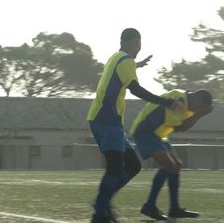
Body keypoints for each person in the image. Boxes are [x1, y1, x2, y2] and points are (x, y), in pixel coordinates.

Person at [87, 28, 185, 223]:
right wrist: (167, 102)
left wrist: (137, 65)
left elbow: (121, 74)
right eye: (137, 43)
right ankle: (100, 212)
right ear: (127, 42)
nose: (139, 48)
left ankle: (102, 203)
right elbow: (136, 90)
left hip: (105, 119)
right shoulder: (125, 61)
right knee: (115, 168)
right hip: (107, 119)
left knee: (133, 165)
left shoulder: (117, 58)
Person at [131, 89, 213, 220]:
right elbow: (178, 128)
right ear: (197, 99)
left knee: (176, 166)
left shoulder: (187, 104)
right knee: (169, 165)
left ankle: (174, 208)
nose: (197, 108)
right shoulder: (179, 100)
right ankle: (149, 206)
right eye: (201, 106)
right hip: (146, 131)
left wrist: (197, 114)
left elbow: (183, 128)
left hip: (159, 134)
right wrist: (198, 114)